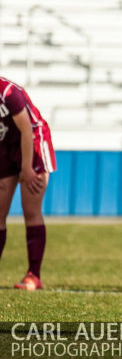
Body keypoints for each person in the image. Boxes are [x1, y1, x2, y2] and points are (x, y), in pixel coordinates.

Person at [0, 76, 56, 291]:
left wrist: (26, 168)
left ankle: (34, 275)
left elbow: (26, 129)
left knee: (30, 209)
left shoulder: (8, 92)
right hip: (5, 145)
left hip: (33, 141)